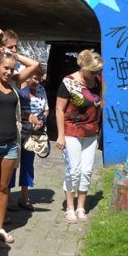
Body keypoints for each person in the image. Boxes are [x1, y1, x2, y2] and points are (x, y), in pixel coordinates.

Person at [0, 46, 40, 243]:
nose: (8, 72)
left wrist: (14, 56)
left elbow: (35, 65)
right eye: (5, 68)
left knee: (4, 188)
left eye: (12, 69)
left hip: (11, 144)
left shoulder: (14, 83)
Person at [55, 49, 103, 223]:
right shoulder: (68, 82)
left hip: (91, 132)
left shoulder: (97, 81)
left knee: (87, 170)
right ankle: (70, 207)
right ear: (84, 67)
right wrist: (60, 135)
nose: (96, 75)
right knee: (73, 170)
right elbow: (59, 109)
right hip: (71, 131)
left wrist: (98, 128)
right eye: (93, 71)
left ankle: (81, 206)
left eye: (98, 71)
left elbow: (99, 104)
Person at [10, 65, 49, 210]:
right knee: (12, 164)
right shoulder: (19, 88)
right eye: (34, 78)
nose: (37, 81)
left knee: (28, 164)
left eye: (39, 78)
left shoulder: (41, 90)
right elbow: (15, 109)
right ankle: (7, 198)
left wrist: (42, 119)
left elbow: (46, 109)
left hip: (33, 133)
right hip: (18, 130)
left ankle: (24, 197)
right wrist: (29, 117)